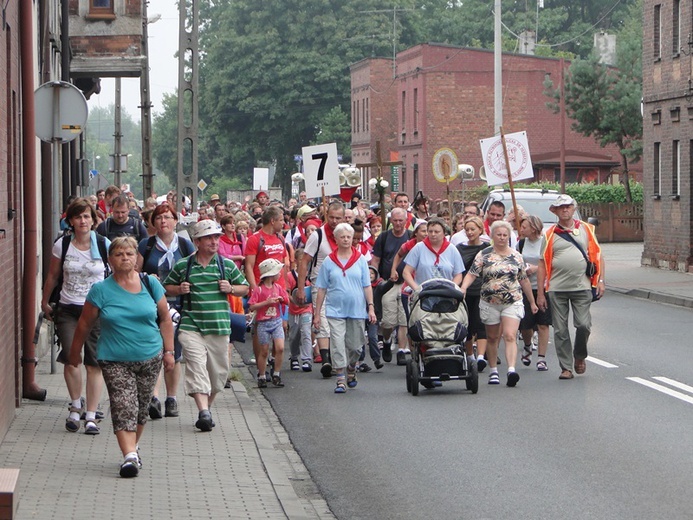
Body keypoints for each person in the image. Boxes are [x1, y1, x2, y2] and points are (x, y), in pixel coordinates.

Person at [68, 237, 175, 478]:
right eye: (118, 254)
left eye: (129, 253)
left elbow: (165, 319)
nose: (124, 258)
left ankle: (133, 450)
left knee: (141, 410)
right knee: (123, 405)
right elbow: (84, 324)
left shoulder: (151, 284)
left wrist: (169, 352)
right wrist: (74, 353)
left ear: (137, 257)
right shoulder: (101, 290)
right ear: (110, 260)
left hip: (150, 356)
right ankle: (128, 456)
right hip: (114, 358)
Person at [163, 220, 249, 432]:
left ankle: (207, 409)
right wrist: (179, 289)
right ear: (197, 242)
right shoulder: (185, 265)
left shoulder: (225, 265)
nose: (214, 241)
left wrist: (230, 288)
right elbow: (167, 287)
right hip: (191, 326)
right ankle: (203, 412)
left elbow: (244, 288)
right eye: (209, 237)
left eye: (216, 237)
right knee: (196, 367)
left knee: (218, 374)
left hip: (219, 327)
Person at [40, 198, 110, 434]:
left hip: (96, 310)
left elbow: (116, 275)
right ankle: (75, 404)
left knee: (94, 362)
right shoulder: (63, 244)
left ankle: (90, 414)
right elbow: (52, 275)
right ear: (70, 220)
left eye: (86, 216)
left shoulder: (103, 244)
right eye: (78, 217)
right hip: (68, 308)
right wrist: (44, 300)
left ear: (93, 220)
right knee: (72, 358)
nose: (82, 221)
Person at [460, 220, 538, 387]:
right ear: (492, 236)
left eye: (505, 235)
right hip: (490, 301)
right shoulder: (484, 255)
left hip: (513, 300)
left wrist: (532, 301)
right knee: (493, 337)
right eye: (499, 235)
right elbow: (472, 274)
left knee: (510, 335)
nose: (502, 238)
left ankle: (511, 370)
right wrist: (464, 288)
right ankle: (493, 370)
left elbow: (523, 280)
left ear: (509, 237)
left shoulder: (516, 256)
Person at [135, 202, 195, 419]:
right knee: (154, 351)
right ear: (154, 223)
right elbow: (136, 273)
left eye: (168, 217)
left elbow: (193, 272)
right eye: (159, 218)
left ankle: (172, 398)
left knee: (174, 353)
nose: (163, 222)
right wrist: (148, 281)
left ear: (175, 221)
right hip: (151, 305)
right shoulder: (146, 245)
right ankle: (153, 397)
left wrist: (182, 288)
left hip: (178, 305)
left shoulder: (185, 246)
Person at [536, 195, 605, 380]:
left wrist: (600, 280)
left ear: (574, 209)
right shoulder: (549, 234)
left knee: (583, 325)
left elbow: (597, 255)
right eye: (561, 207)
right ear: (555, 211)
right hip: (557, 288)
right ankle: (566, 367)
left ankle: (579, 355)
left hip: (582, 286)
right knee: (560, 330)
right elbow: (542, 263)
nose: (565, 210)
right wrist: (540, 294)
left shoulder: (587, 229)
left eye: (568, 206)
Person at [314, 223, 377, 393]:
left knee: (356, 346)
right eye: (342, 237)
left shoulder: (360, 260)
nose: (346, 239)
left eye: (349, 237)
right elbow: (321, 288)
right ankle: (340, 378)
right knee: (337, 343)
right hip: (335, 309)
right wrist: (317, 314)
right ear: (336, 239)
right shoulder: (329, 261)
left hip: (356, 309)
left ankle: (351, 368)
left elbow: (367, 285)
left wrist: (370, 307)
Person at [296, 201, 345, 377]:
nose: (334, 221)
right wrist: (301, 289)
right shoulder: (318, 235)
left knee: (338, 321)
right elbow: (304, 262)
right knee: (322, 319)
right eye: (331, 217)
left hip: (342, 284)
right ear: (326, 216)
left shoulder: (346, 235)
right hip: (320, 282)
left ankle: (336, 357)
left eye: (338, 218)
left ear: (343, 218)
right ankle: (325, 359)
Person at [371, 207, 411, 363]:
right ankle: (387, 341)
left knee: (404, 320)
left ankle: (401, 350)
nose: (398, 223)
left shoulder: (409, 237)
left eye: (401, 220)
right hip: (388, 283)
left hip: (405, 283)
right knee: (388, 321)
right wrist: (376, 277)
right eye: (395, 220)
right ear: (391, 221)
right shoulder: (384, 237)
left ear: (406, 221)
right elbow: (376, 259)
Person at [517, 215, 551, 371]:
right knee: (526, 323)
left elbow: (551, 263)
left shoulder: (546, 242)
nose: (521, 229)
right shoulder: (521, 243)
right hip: (526, 287)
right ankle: (528, 345)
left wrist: (536, 269)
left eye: (524, 227)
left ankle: (542, 358)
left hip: (543, 287)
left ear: (534, 228)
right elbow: (516, 261)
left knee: (543, 323)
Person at [248, 259, 290, 387]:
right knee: (264, 351)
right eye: (278, 272)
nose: (279, 275)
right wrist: (267, 302)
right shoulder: (259, 290)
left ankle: (276, 373)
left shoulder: (278, 288)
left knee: (280, 348)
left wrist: (282, 299)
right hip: (263, 323)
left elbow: (287, 301)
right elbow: (252, 306)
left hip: (276, 321)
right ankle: (261, 375)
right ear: (271, 274)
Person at [456, 216, 490, 360]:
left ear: (480, 230)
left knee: (481, 323)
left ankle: (481, 356)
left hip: (483, 291)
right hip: (465, 290)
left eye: (473, 229)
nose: (470, 232)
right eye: (467, 230)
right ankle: (470, 355)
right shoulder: (459, 248)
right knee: (467, 324)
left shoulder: (487, 249)